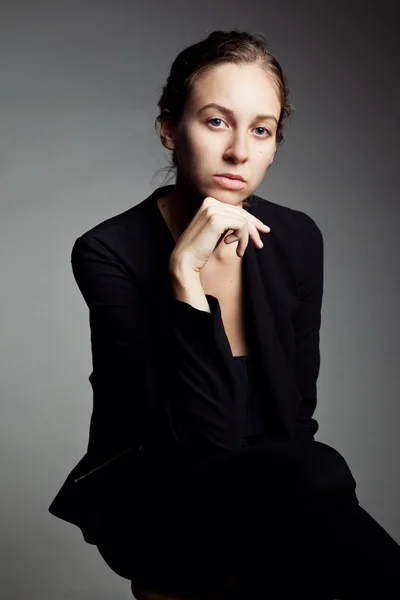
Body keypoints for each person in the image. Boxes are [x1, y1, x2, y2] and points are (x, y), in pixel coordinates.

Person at [48, 30, 400, 599]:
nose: (239, 150)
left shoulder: (295, 238)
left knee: (315, 479)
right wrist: (184, 271)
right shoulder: (107, 251)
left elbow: (294, 416)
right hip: (160, 499)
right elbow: (195, 441)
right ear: (169, 129)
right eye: (216, 121)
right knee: (320, 473)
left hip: (277, 491)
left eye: (261, 130)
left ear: (274, 144)